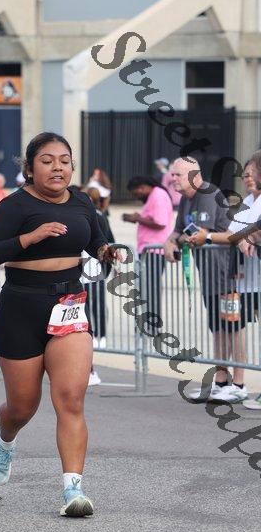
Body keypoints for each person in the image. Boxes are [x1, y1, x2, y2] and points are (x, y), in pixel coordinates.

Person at [0, 132, 119, 517]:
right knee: (23, 407)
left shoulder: (82, 202)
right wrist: (30, 237)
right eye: (47, 160)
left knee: (71, 398)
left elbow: (96, 242)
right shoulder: (14, 205)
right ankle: (5, 437)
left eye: (64, 161)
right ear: (29, 168)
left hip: (69, 305)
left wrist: (107, 251)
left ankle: (73, 489)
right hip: (20, 308)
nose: (58, 167)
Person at [188, 157, 261, 405]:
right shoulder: (248, 202)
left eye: (251, 174)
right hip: (244, 279)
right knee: (226, 328)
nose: (246, 179)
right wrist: (240, 237)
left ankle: (238, 384)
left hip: (249, 278)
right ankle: (225, 383)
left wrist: (238, 236)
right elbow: (233, 234)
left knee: (235, 329)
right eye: (244, 175)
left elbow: (244, 233)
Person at [164, 157, 231, 402]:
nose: (173, 179)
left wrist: (178, 239)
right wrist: (169, 241)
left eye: (178, 175)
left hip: (226, 271)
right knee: (217, 327)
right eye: (172, 175)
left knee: (230, 327)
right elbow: (178, 229)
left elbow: (198, 233)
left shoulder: (208, 193)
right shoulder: (186, 198)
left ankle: (233, 383)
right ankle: (221, 381)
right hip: (208, 273)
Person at [123, 176, 173, 330]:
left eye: (136, 193)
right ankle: (148, 322)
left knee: (151, 289)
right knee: (146, 289)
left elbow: (160, 223)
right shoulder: (154, 195)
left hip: (154, 251)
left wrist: (138, 218)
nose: (136, 196)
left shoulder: (158, 195)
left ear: (142, 187)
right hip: (148, 251)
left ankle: (152, 325)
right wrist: (138, 218)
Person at [81, 187, 112, 385]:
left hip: (93, 267)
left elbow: (107, 239)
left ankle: (101, 335)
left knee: (97, 304)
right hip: (80, 268)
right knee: (83, 308)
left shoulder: (99, 217)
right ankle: (91, 337)